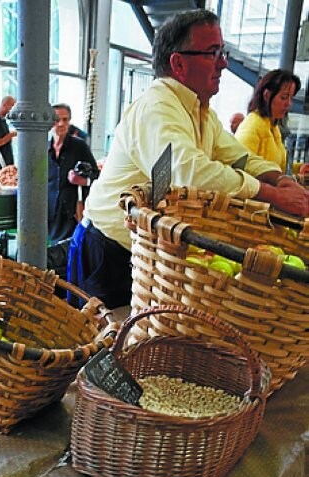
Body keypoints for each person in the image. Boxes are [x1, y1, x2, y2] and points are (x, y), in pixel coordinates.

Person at [67, 9, 309, 309]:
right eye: (213, 53)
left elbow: (240, 159)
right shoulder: (158, 106)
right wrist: (272, 195)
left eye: (222, 52)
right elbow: (186, 173)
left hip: (148, 250)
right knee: (102, 345)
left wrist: (282, 181)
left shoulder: (201, 113)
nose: (223, 63)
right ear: (178, 63)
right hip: (108, 250)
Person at [48, 103, 99, 244]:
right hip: (50, 214)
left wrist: (82, 181)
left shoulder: (79, 146)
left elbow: (97, 176)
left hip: (72, 214)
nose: (61, 124)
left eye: (65, 120)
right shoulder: (43, 149)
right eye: (57, 120)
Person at [235, 69, 301, 172]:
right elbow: (240, 168)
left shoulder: (273, 126)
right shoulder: (253, 126)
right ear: (266, 95)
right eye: (284, 97)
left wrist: (300, 168)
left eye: (291, 98)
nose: (289, 103)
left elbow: (280, 166)